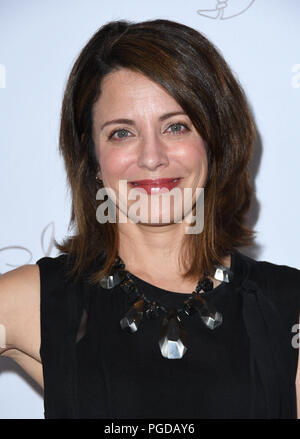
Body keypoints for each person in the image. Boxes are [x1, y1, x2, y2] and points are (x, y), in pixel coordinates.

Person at [0, 18, 299, 419]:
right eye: (122, 133)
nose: (152, 156)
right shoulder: (34, 301)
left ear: (215, 142)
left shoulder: (288, 306)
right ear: (92, 158)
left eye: (176, 127)